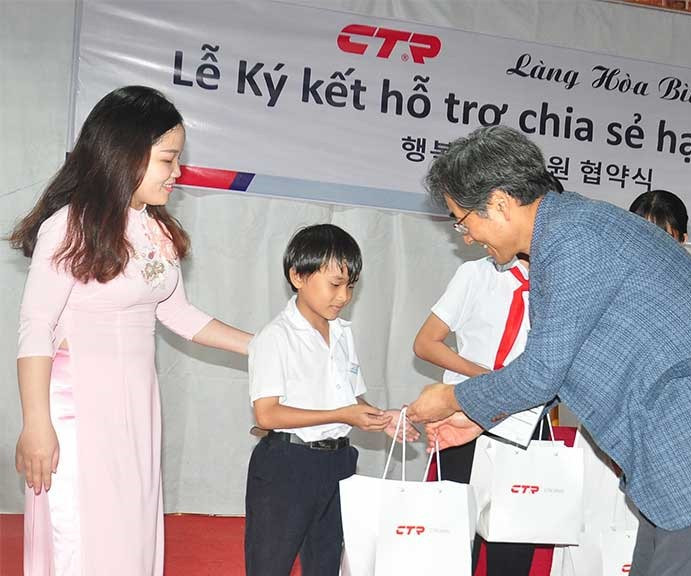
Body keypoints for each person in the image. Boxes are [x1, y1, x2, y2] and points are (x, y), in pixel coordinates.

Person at [407, 125, 691, 576]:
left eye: (462, 218)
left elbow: (541, 372)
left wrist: (451, 398)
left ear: (500, 203)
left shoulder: (573, 241)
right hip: (683, 441)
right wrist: (476, 419)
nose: (466, 235)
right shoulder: (566, 232)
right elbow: (560, 366)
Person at [11, 85, 252, 576]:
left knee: (132, 532)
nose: (178, 173)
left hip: (138, 407)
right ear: (126, 156)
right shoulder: (69, 227)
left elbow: (178, 314)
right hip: (78, 406)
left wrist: (263, 345)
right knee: (83, 534)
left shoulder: (155, 229)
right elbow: (35, 327)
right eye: (168, 160)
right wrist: (37, 425)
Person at [245, 224, 418, 576]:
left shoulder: (341, 332)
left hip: (338, 464)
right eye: (334, 285)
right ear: (297, 276)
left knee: (326, 564)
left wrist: (382, 419)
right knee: (270, 564)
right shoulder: (274, 337)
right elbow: (266, 414)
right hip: (286, 465)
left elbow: (351, 395)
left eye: (350, 286)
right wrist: (344, 413)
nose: (343, 297)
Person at [414, 253, 542, 575]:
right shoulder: (475, 274)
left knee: (513, 544)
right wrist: (485, 378)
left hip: (524, 423)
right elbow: (426, 343)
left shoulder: (559, 282)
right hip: (465, 414)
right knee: (453, 543)